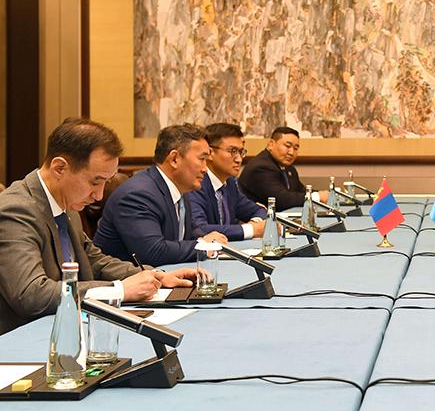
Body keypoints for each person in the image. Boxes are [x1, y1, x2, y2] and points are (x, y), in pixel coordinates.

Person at [0, 118, 196, 335]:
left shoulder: (66, 202)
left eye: (106, 182)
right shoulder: (16, 210)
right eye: (95, 182)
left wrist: (154, 276)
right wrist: (118, 290)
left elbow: (94, 261)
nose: (99, 195)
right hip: (22, 340)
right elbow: (31, 295)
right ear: (59, 168)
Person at [94, 124, 228, 266]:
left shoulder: (179, 188)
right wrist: (203, 246)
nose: (205, 169)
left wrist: (207, 239)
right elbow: (153, 252)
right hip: (124, 277)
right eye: (202, 159)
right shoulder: (138, 194)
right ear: (174, 159)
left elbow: (189, 232)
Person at [186, 123, 266, 241]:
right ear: (210, 153)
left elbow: (259, 210)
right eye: (232, 151)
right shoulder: (196, 182)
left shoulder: (230, 182)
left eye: (241, 152)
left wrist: (255, 224)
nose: (239, 159)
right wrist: (251, 230)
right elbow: (199, 228)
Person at [239, 126, 327, 209]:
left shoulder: (289, 168)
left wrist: (322, 194)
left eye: (295, 148)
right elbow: (281, 200)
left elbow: (300, 191)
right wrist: (317, 196)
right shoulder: (260, 167)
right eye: (287, 146)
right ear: (271, 144)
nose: (291, 152)